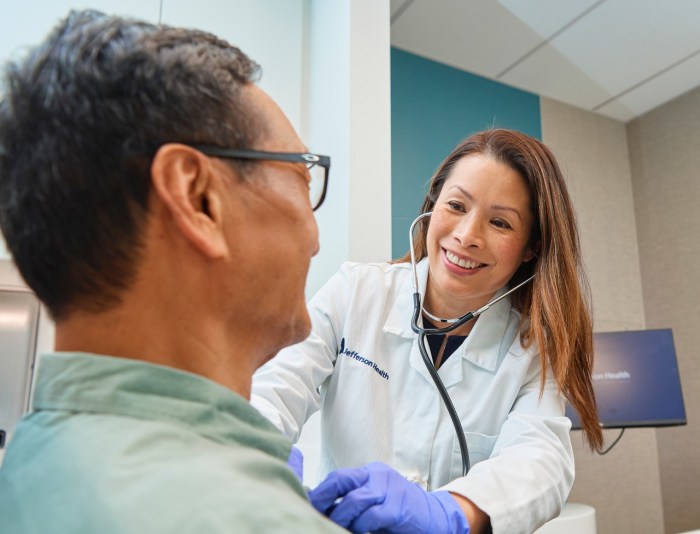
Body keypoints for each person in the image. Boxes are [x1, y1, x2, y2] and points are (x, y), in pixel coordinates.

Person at [0, 10, 344, 534]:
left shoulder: (31, 461)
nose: (316, 240)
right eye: (302, 176)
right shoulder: (249, 521)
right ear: (197, 197)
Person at [251, 128, 604, 533]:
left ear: (531, 249)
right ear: (433, 205)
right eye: (456, 205)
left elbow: (540, 460)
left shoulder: (531, 350)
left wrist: (449, 513)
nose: (467, 236)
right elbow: (272, 387)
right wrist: (256, 451)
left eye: (500, 222)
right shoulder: (356, 293)